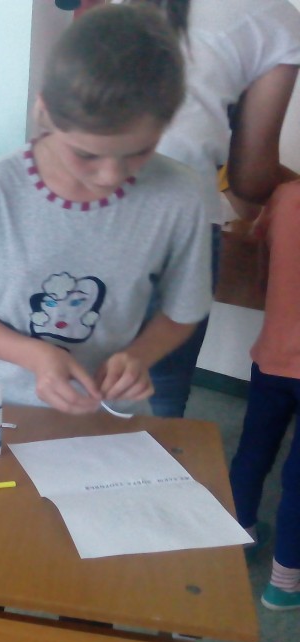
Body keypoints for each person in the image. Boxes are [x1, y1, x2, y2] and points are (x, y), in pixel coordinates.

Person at [0, 4, 211, 415]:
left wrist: (139, 356)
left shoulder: (179, 196)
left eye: (139, 151)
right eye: (86, 154)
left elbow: (182, 312)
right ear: (43, 111)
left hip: (112, 415)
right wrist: (37, 356)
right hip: (8, 412)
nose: (110, 175)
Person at [128, 0, 300, 417]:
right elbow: (250, 178)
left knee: (68, 374)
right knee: (161, 392)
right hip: (177, 217)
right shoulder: (277, 19)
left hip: (79, 200)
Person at [229, 180, 300, 609]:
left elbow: (261, 261)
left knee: (252, 452)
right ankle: (284, 584)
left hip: (273, 354)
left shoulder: (287, 195)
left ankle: (239, 536)